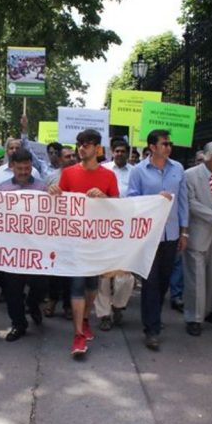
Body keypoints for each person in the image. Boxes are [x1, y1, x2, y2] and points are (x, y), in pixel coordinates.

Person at [49, 129, 120, 356]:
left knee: (92, 287)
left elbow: (119, 208)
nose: (82, 148)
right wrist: (55, 194)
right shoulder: (68, 173)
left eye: (87, 144)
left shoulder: (108, 176)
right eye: (79, 144)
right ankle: (78, 335)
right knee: (77, 286)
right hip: (74, 241)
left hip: (97, 242)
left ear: (97, 149)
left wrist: (104, 198)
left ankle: (86, 318)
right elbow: (62, 206)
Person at [127, 129, 188, 351]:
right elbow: (132, 201)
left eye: (170, 144)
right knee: (150, 282)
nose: (169, 147)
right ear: (152, 147)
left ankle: (154, 316)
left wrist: (184, 232)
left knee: (163, 281)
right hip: (148, 236)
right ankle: (151, 329)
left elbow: (183, 203)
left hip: (171, 234)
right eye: (164, 144)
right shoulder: (138, 171)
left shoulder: (178, 168)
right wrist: (155, 199)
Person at [0, 148, 48, 342]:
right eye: (20, 168)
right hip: (11, 248)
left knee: (40, 285)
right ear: (12, 167)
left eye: (27, 168)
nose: (24, 172)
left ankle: (33, 305)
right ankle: (18, 324)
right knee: (12, 290)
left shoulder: (43, 189)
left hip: (37, 248)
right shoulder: (2, 189)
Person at [182, 142, 212, 337]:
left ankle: (207, 311)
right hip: (198, 232)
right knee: (196, 278)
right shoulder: (190, 175)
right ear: (207, 157)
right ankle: (194, 318)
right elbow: (190, 202)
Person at [96, 139, 136, 331]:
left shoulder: (135, 173)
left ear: (128, 153)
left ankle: (119, 305)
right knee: (103, 275)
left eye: (123, 151)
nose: (119, 154)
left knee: (125, 276)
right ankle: (104, 314)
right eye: (117, 151)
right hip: (103, 226)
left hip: (126, 227)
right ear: (112, 151)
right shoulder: (102, 170)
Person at [44, 145, 77, 320]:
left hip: (75, 231)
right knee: (54, 268)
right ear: (60, 159)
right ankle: (52, 300)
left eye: (73, 155)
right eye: (67, 156)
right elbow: (42, 202)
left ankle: (67, 305)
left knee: (70, 270)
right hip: (55, 231)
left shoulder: (82, 175)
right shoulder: (51, 178)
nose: (71, 158)